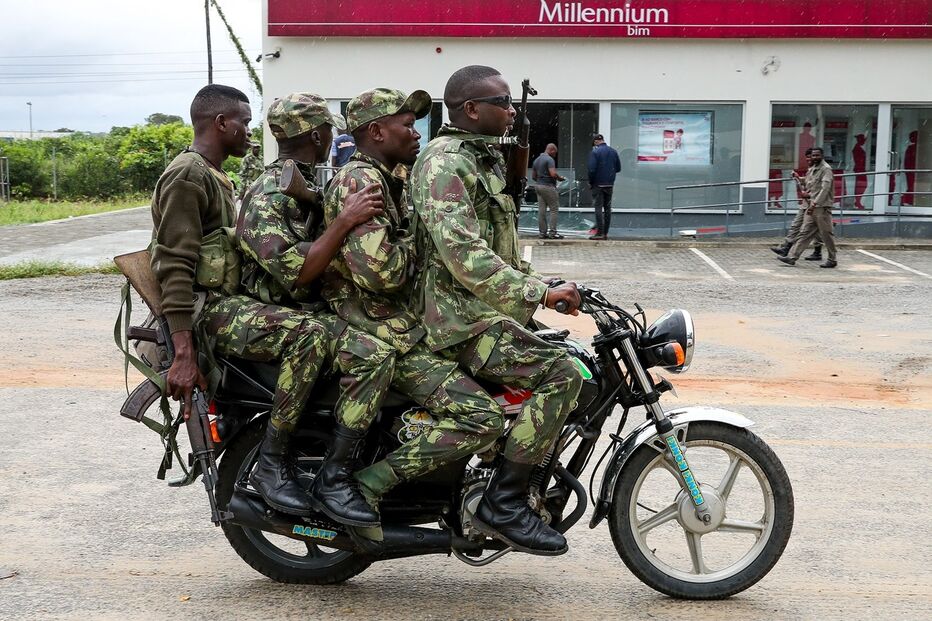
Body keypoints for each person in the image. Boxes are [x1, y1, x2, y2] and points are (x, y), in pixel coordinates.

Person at [410, 65, 584, 556]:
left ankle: (501, 471)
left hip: (481, 311)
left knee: (564, 356)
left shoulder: (478, 159)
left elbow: (498, 253)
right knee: (561, 374)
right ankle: (504, 503)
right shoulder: (446, 163)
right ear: (470, 109)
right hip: (455, 320)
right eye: (503, 103)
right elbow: (462, 252)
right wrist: (536, 296)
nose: (511, 111)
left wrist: (540, 286)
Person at [321, 87, 505, 536]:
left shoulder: (389, 179)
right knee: (482, 416)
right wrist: (425, 249)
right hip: (379, 329)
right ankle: (363, 484)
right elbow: (378, 273)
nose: (415, 132)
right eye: (406, 124)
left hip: (400, 325)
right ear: (376, 131)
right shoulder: (360, 182)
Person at [233, 92, 398, 527]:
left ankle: (349, 463)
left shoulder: (305, 182)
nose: (332, 136)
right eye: (328, 128)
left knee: (376, 350)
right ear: (315, 133)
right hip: (261, 310)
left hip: (300, 308)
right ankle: (278, 460)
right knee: (323, 339)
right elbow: (298, 272)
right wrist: (344, 221)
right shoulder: (265, 195)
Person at [779, 147, 837, 268]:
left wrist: (814, 201)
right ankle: (792, 257)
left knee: (826, 235)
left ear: (822, 156)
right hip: (811, 206)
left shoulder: (826, 169)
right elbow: (809, 182)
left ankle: (832, 259)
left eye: (817, 155)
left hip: (821, 207)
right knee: (804, 232)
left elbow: (825, 189)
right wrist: (798, 178)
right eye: (813, 155)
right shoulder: (813, 168)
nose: (814, 157)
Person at [770, 148, 823, 259]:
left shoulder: (823, 170)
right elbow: (809, 181)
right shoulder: (811, 169)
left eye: (811, 158)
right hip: (806, 204)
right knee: (797, 225)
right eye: (808, 158)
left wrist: (810, 197)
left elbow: (823, 188)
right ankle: (786, 247)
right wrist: (799, 178)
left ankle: (822, 253)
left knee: (816, 231)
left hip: (815, 204)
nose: (809, 160)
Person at [587, 134, 621, 240]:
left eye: (594, 144)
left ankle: (599, 233)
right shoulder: (613, 152)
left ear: (596, 142)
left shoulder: (595, 152)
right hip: (609, 184)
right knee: (607, 209)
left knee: (598, 208)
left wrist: (591, 182)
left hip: (598, 184)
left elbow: (591, 170)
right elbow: (618, 168)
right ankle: (605, 233)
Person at [531, 143, 564, 239]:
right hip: (548, 186)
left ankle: (542, 233)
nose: (555, 155)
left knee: (542, 211)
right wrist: (560, 178)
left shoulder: (536, 160)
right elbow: (553, 174)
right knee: (554, 209)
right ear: (552, 150)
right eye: (555, 153)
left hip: (538, 186)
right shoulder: (549, 160)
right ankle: (552, 233)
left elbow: (533, 176)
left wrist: (541, 180)